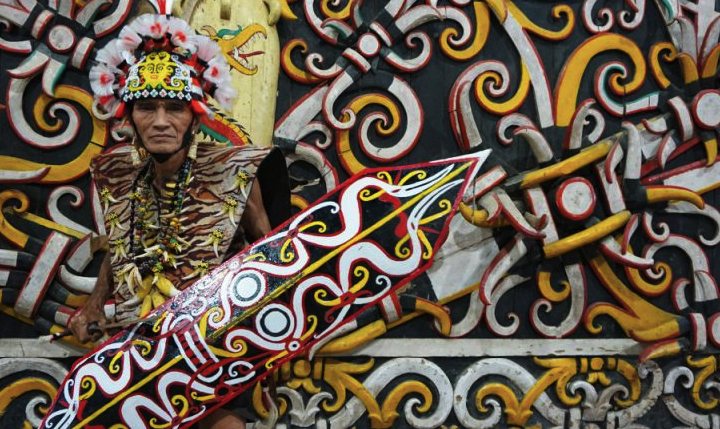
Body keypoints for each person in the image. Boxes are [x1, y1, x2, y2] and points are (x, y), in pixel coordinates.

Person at [67, 11, 289, 429]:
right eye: (147, 108)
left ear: (196, 113)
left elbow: (275, 258)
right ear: (128, 116)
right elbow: (120, 245)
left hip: (215, 355)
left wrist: (271, 337)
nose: (161, 122)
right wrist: (94, 304)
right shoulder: (117, 174)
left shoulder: (234, 171)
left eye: (174, 108)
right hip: (139, 358)